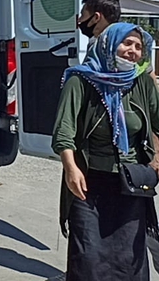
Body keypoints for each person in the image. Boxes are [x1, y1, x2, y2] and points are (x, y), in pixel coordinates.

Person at [52, 22, 159, 280]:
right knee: (88, 256)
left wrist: (157, 160)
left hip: (131, 184)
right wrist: (71, 168)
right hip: (88, 182)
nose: (132, 51)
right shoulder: (80, 80)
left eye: (138, 47)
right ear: (109, 44)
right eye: (127, 43)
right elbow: (63, 132)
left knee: (129, 259)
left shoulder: (141, 83)